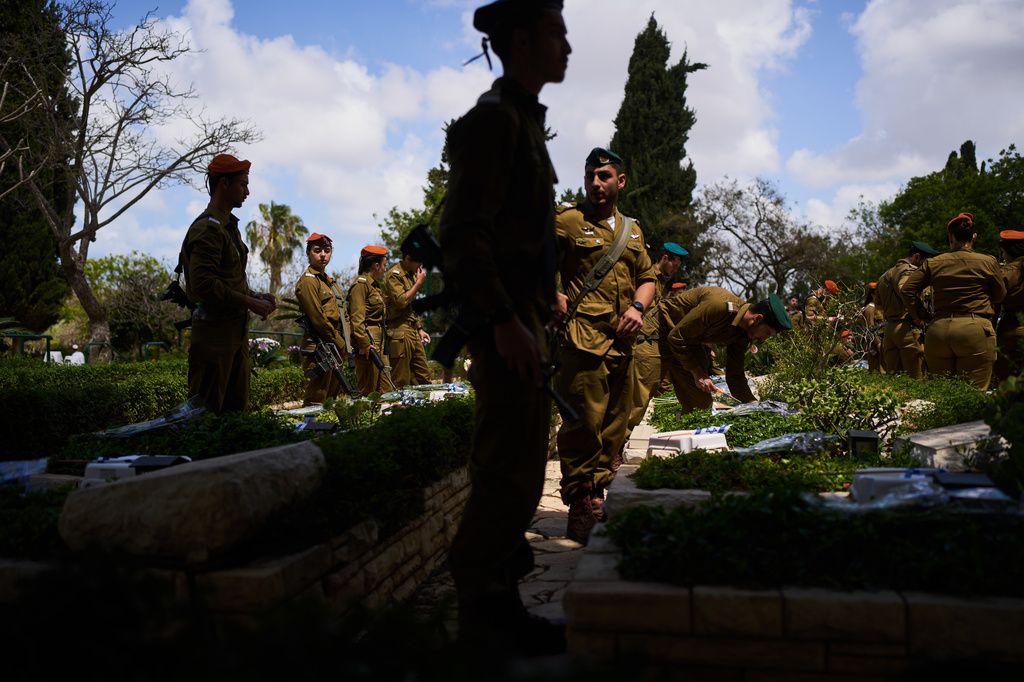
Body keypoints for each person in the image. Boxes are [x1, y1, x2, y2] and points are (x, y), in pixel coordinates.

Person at [437, 0, 570, 656]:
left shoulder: (522, 120)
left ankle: (501, 610)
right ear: (523, 38)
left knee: (519, 474)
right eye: (556, 33)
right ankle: (483, 625)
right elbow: (462, 235)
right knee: (503, 477)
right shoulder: (494, 122)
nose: (568, 46)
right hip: (506, 328)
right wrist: (503, 321)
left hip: (523, 322)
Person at [553, 146, 656, 544]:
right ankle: (580, 505)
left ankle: (597, 493)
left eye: (604, 176)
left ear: (620, 181)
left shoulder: (632, 230)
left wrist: (637, 307)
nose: (596, 183)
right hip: (582, 341)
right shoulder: (567, 220)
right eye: (590, 176)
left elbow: (648, 277)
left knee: (615, 424)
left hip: (623, 343)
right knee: (582, 424)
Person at [181, 154, 275, 414]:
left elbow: (229, 280)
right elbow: (203, 285)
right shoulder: (207, 229)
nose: (247, 191)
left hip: (234, 334)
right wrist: (248, 302)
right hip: (214, 337)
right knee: (206, 417)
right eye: (243, 184)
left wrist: (255, 295)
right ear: (224, 183)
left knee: (236, 416)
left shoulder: (228, 227)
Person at [901, 213, 1005, 389]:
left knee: (943, 394)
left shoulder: (933, 263)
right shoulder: (988, 261)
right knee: (973, 395)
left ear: (950, 237)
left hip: (939, 331)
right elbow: (1000, 295)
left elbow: (907, 290)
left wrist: (923, 315)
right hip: (975, 331)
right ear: (974, 238)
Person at [661, 287, 792, 414]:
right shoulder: (719, 305)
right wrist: (698, 373)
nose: (763, 339)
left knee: (701, 405)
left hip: (686, 345)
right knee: (644, 391)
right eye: (767, 333)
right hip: (658, 333)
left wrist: (753, 405)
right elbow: (676, 336)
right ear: (757, 318)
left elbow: (735, 375)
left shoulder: (742, 334)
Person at [626, 242, 688, 439]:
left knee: (651, 394)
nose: (675, 270)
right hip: (642, 343)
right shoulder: (649, 277)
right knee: (638, 398)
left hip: (653, 343)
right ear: (665, 258)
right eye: (675, 265)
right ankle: (617, 446)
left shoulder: (660, 281)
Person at [294, 233, 350, 406]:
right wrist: (341, 342)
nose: (323, 255)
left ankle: (327, 432)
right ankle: (310, 432)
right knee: (316, 398)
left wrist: (346, 343)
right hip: (318, 347)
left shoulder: (330, 283)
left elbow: (344, 315)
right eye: (317, 251)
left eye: (327, 250)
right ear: (308, 253)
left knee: (331, 398)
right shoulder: (308, 282)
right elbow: (318, 319)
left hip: (335, 347)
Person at [875, 241, 939, 377]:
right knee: (916, 381)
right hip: (907, 330)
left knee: (894, 383)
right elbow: (903, 288)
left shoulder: (884, 276)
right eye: (925, 262)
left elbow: (878, 307)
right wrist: (920, 315)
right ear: (916, 257)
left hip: (890, 331)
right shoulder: (909, 270)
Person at [383, 252, 432, 388]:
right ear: (408, 258)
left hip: (411, 328)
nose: (421, 265)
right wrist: (418, 283)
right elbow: (402, 301)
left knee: (422, 375)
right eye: (419, 261)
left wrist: (420, 328)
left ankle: (424, 407)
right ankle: (400, 408)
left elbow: (409, 309)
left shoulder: (410, 275)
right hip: (399, 330)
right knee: (401, 379)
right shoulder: (395, 275)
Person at [348, 246, 392, 395]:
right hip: (369, 342)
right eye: (384, 265)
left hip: (379, 340)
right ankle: (367, 418)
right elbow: (357, 318)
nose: (385, 269)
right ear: (376, 265)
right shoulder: (360, 285)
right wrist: (364, 344)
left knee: (386, 388)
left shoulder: (374, 286)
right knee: (368, 389)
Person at [995, 230, 1024, 381]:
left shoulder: (1004, 273)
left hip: (1010, 332)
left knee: (1008, 384)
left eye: (1004, 252)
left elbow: (994, 307)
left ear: (1010, 252)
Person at [861, 283, 885, 373]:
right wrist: (878, 343)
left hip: (881, 340)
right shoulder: (870, 309)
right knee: (876, 370)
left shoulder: (880, 308)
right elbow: (870, 329)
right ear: (873, 295)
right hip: (873, 344)